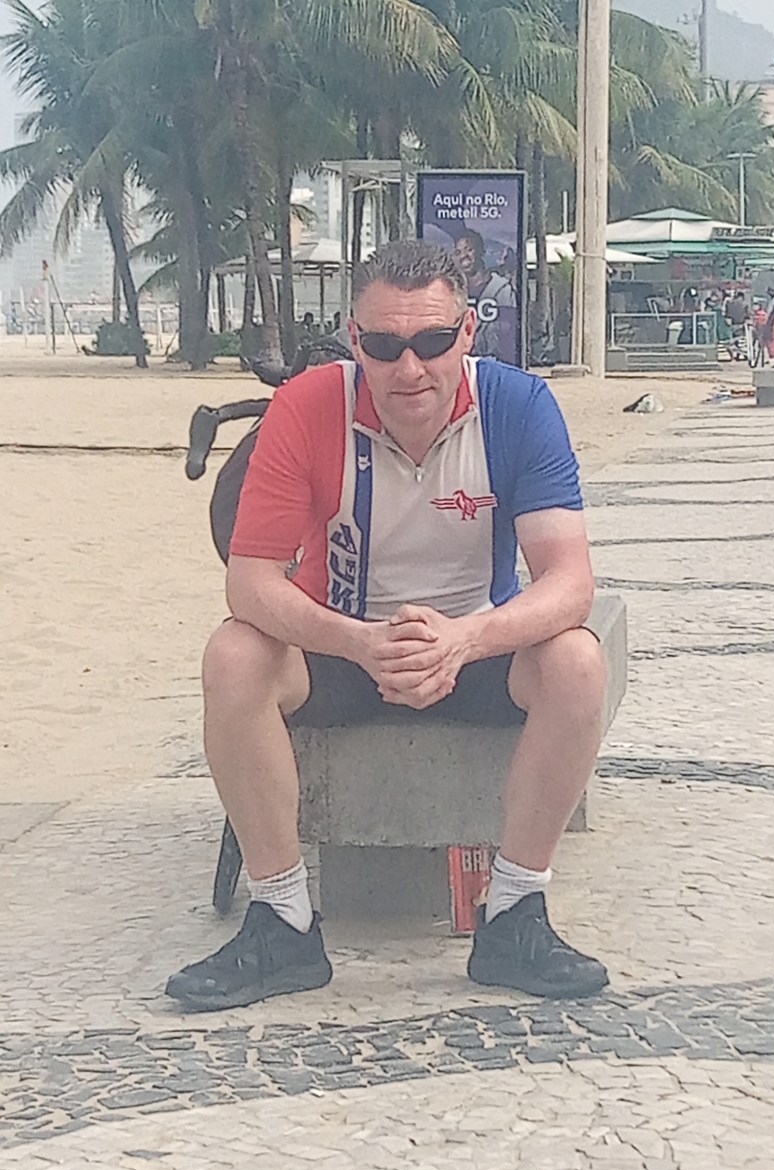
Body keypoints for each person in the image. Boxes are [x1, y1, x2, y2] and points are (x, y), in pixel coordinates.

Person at [165, 240, 610, 1013]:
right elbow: (249, 582)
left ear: (467, 332)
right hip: (342, 646)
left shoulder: (518, 406)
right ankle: (282, 920)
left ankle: (514, 913)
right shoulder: (309, 405)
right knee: (233, 654)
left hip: (472, 645)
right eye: (384, 345)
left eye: (433, 342)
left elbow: (570, 583)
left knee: (576, 661)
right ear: (353, 338)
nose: (410, 369)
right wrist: (360, 643)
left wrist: (464, 640)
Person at [454, 229, 516, 359]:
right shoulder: (452, 292)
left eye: (469, 249)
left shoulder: (502, 290)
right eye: (458, 252)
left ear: (481, 251)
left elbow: (509, 333)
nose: (464, 256)